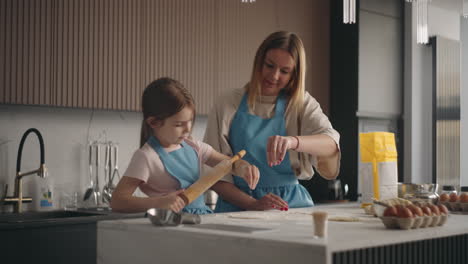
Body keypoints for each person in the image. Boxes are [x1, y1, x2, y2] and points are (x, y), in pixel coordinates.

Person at [204, 31, 341, 212]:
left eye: (284, 71)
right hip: (238, 206)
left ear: (295, 75)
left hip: (291, 206)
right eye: (269, 66)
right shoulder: (228, 102)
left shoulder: (301, 104)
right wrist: (253, 204)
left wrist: (293, 141)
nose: (274, 76)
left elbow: (331, 143)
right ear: (258, 62)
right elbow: (213, 174)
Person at [111, 78, 259, 214]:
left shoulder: (194, 147)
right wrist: (158, 203)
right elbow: (118, 201)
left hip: (201, 220)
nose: (188, 129)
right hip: (169, 226)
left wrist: (243, 167)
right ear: (154, 123)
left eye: (190, 121)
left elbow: (229, 164)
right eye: (178, 124)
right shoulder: (146, 157)